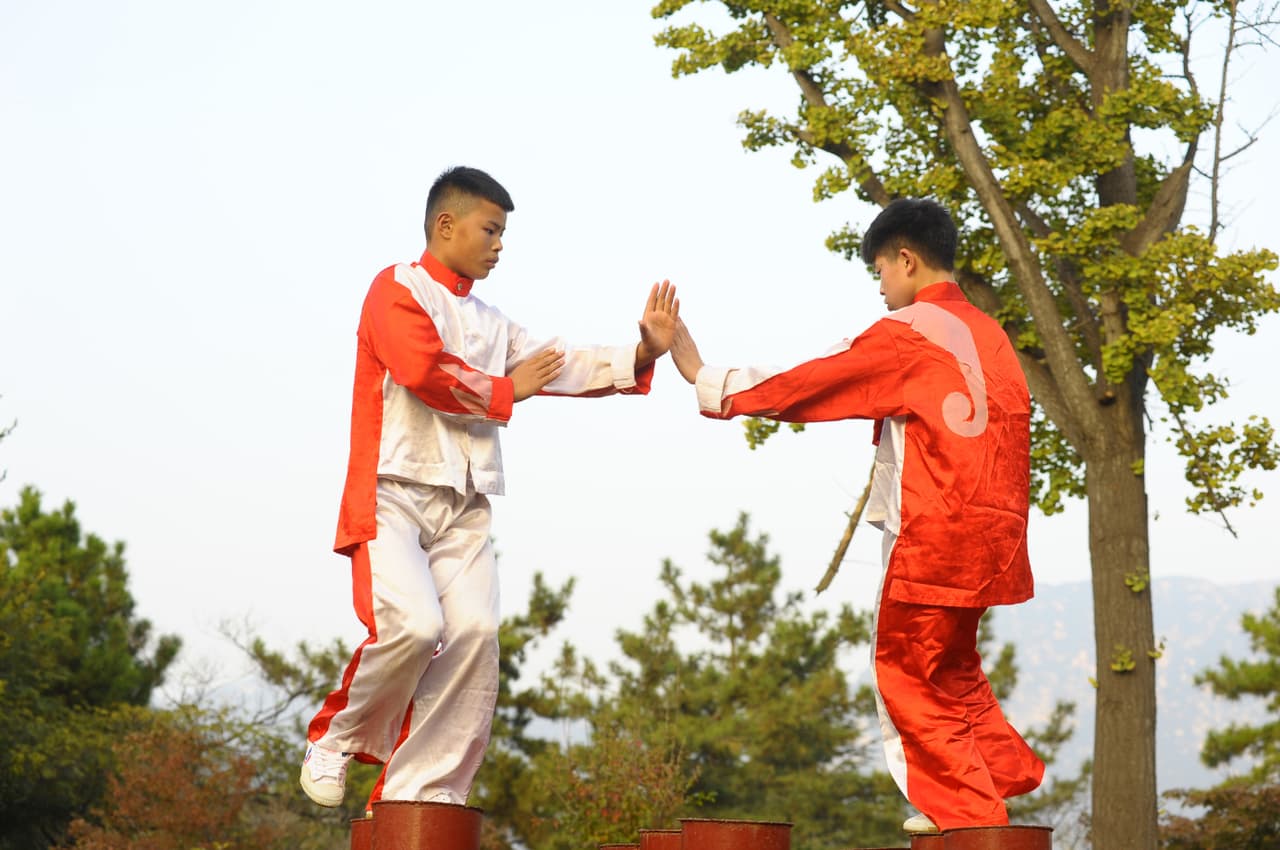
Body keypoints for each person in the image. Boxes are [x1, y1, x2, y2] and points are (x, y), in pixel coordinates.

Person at [300, 166, 678, 810]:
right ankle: (335, 739)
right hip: (392, 488)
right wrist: (508, 389)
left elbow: (559, 362)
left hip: (466, 499)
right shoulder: (396, 287)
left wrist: (640, 354)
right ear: (445, 225)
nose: (499, 246)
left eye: (503, 234)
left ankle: (423, 790)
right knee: (415, 627)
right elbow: (421, 368)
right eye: (491, 230)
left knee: (475, 635)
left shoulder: (490, 320)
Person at [668, 198, 1044, 834]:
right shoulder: (992, 335)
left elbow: (812, 381)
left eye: (880, 272)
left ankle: (971, 815)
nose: (880, 287)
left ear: (906, 259)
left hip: (933, 530)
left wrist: (709, 378)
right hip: (994, 535)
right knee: (951, 667)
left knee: (904, 670)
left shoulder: (908, 333)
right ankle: (996, 772)